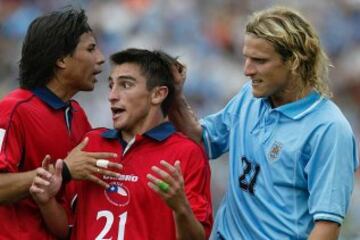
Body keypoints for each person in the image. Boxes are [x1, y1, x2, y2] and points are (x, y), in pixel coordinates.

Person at [169, 6, 359, 240]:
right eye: (246, 58)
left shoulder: (329, 128)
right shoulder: (249, 97)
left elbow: (327, 227)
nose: (247, 70)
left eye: (259, 60)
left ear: (295, 62)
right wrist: (175, 97)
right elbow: (201, 139)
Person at [29, 48, 213, 240]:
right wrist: (46, 202)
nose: (112, 96)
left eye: (125, 85)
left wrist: (181, 208)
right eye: (111, 85)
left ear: (158, 94)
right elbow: (67, 229)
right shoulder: (91, 143)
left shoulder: (187, 153)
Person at [0, 8, 121, 240]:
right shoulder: (12, 110)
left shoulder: (76, 115)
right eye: (90, 49)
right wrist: (63, 170)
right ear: (61, 60)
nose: (101, 58)